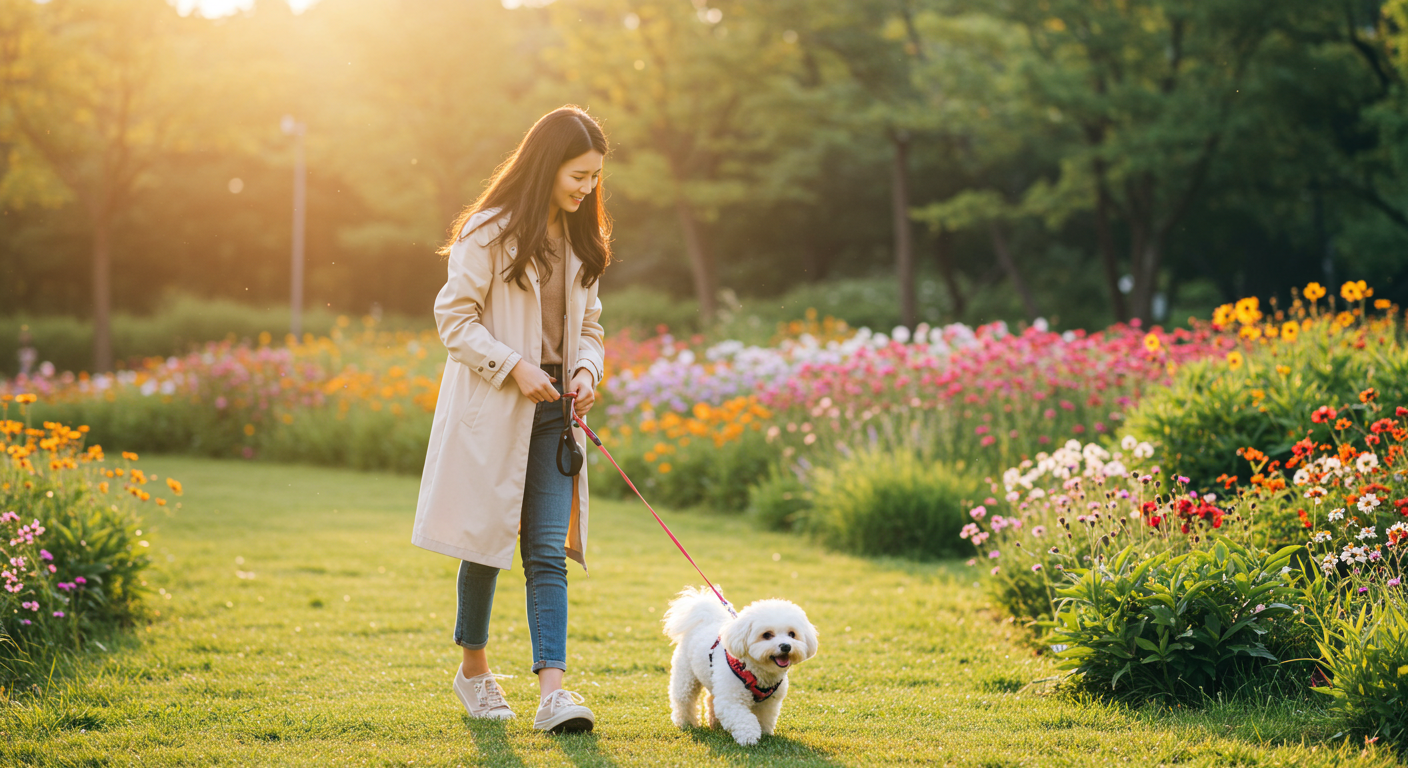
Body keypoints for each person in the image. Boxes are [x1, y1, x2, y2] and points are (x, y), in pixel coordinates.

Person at [412, 106, 610, 734]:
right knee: (486, 546)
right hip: (497, 413)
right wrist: (514, 367)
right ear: (547, 163)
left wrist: (585, 373)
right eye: (578, 175)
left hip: (556, 417)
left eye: (595, 178)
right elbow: (455, 320)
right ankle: (475, 673)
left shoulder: (582, 239)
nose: (586, 188)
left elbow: (589, 327)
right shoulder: (488, 232)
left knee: (547, 552)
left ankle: (553, 692)